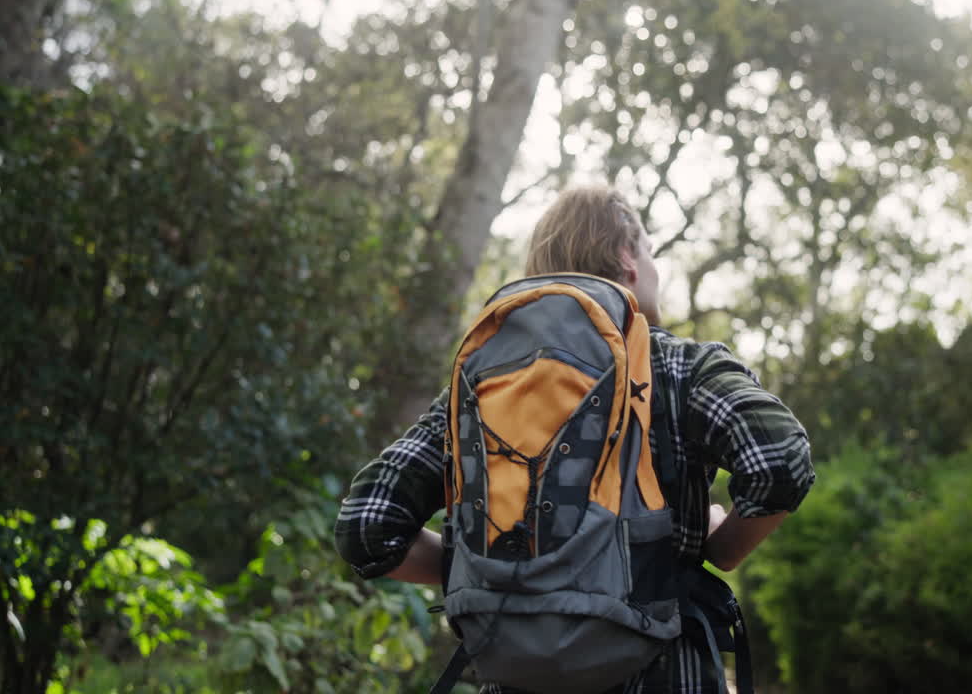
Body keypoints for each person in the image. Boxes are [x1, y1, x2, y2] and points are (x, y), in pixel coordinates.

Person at [334, 185, 815, 693]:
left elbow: (367, 528)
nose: (654, 269)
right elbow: (780, 458)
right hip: (666, 675)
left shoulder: (480, 387)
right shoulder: (677, 368)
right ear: (629, 258)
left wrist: (495, 568)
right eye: (650, 252)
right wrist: (722, 547)